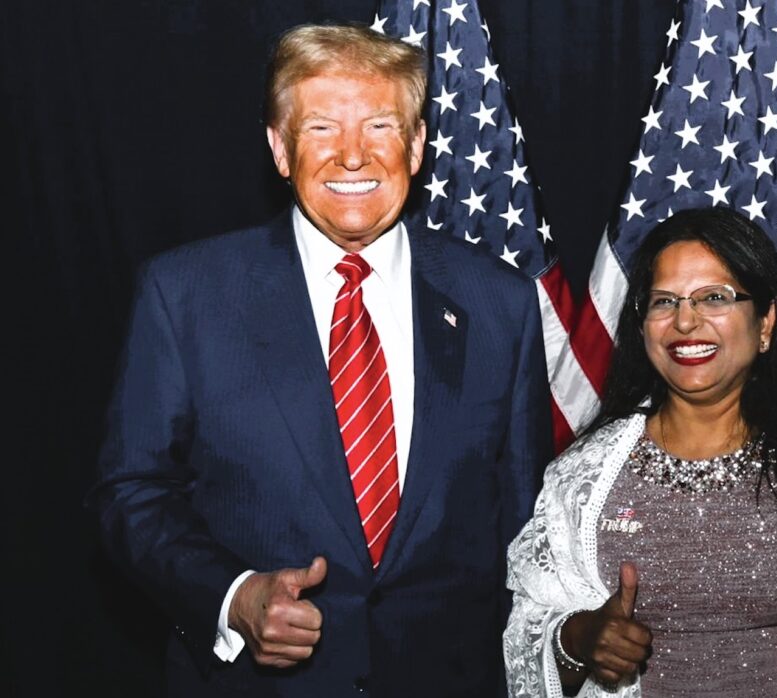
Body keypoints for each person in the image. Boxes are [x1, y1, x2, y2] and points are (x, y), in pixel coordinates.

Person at [88, 22, 552, 697]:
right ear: (280, 149)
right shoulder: (186, 294)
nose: (354, 157)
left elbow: (524, 521)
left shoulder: (500, 305)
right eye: (322, 131)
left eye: (381, 127)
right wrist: (234, 594)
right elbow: (127, 492)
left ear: (418, 145)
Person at [503, 207, 777, 697]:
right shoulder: (584, 476)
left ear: (765, 324)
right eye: (663, 302)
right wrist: (578, 638)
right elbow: (528, 635)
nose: (685, 321)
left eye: (714, 297)